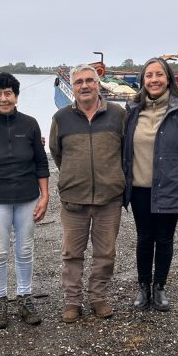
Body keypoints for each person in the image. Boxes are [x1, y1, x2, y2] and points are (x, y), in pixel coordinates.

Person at [0, 72, 50, 329]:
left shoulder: (30, 124)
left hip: (27, 197)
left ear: (16, 95)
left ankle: (24, 297)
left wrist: (45, 195)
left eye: (8, 93)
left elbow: (41, 161)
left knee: (25, 249)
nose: (3, 98)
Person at [123, 58, 178, 311]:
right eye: (149, 75)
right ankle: (143, 286)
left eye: (159, 74)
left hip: (170, 186)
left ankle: (160, 287)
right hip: (138, 188)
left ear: (168, 78)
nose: (154, 80)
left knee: (165, 239)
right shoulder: (133, 110)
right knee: (144, 238)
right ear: (143, 81)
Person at [49, 64, 126, 323]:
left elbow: (126, 152)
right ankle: (72, 302)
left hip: (109, 199)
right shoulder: (61, 119)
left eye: (89, 81)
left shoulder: (118, 114)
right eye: (79, 81)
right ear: (73, 86)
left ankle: (98, 298)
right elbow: (57, 154)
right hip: (74, 200)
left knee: (106, 254)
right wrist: (74, 176)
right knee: (72, 254)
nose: (84, 86)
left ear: (98, 84)